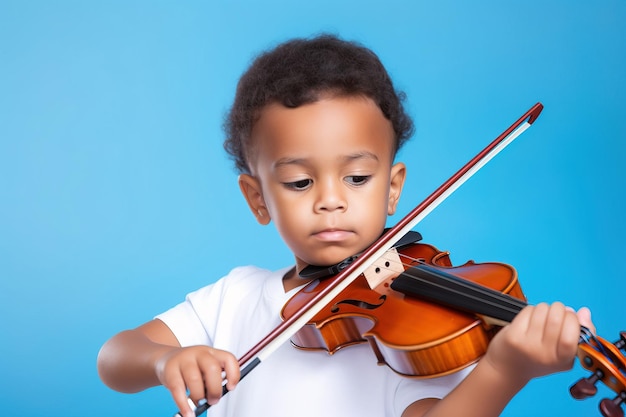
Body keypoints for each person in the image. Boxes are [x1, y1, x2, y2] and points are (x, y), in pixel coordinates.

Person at [97, 34, 593, 417]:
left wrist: (505, 368)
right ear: (257, 199)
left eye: (357, 178)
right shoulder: (234, 296)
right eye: (298, 182)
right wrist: (164, 362)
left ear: (393, 188)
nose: (331, 201)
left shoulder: (403, 333)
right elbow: (115, 357)